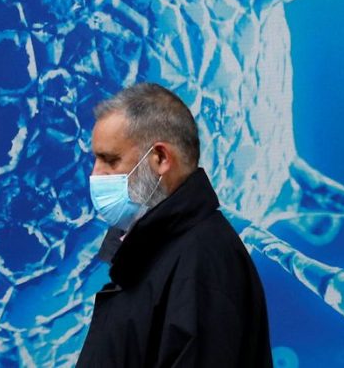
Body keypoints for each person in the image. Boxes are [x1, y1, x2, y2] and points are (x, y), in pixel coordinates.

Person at [76, 83, 272, 367]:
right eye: (95, 160)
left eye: (110, 160)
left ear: (160, 159)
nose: (96, 174)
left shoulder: (202, 264)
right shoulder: (152, 259)